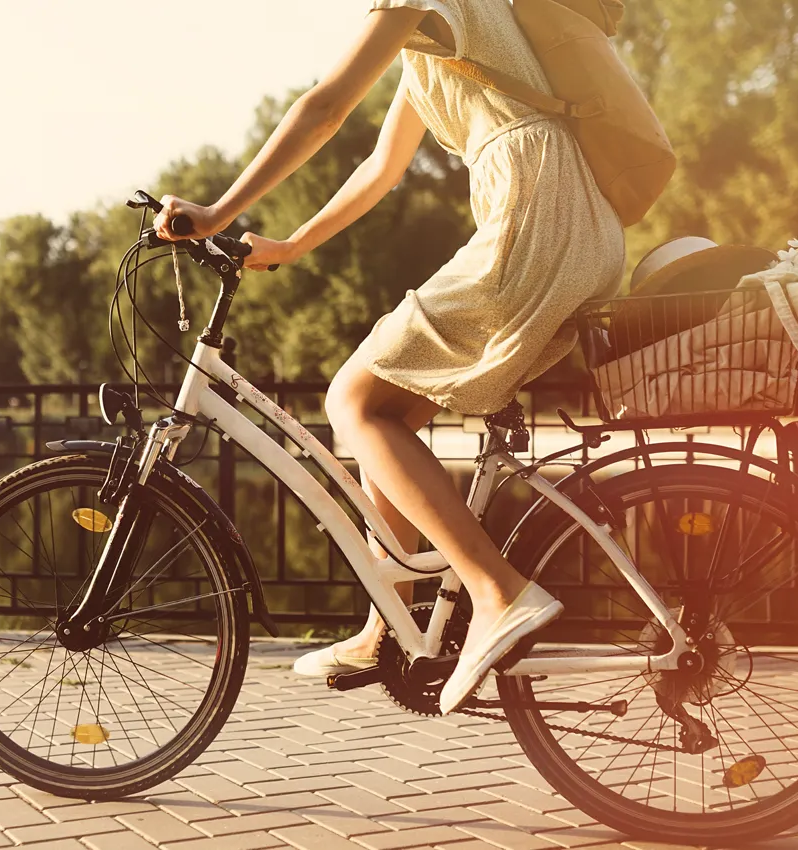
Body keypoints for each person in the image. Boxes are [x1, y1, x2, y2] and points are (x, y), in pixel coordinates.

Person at [152, 0, 624, 713]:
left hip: (536, 217)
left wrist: (217, 212)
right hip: (585, 229)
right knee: (384, 409)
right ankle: (387, 628)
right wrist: (292, 246)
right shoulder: (454, 29)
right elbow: (381, 165)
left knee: (352, 400)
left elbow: (324, 108)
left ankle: (499, 592)